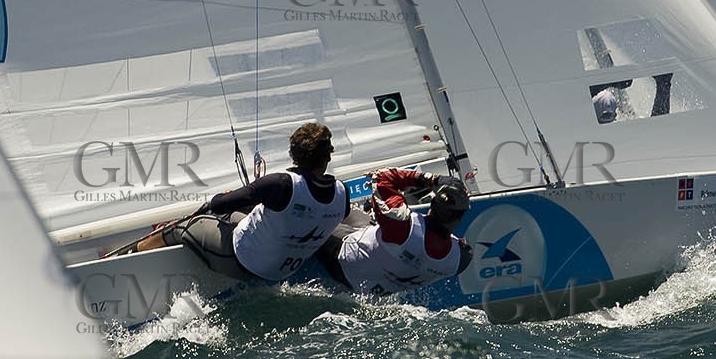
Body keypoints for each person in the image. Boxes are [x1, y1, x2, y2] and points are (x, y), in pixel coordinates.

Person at [125, 122, 348, 282]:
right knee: (239, 215)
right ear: (328, 156)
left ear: (293, 154)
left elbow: (219, 204)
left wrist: (227, 195)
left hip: (242, 261)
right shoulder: (342, 194)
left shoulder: (280, 184)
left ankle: (133, 254)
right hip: (282, 270)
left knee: (185, 226)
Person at [317, 168, 473, 295]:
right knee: (355, 213)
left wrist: (433, 180)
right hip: (373, 289)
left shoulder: (402, 225)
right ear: (460, 217)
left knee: (318, 215)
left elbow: (382, 177)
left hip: (343, 263)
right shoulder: (460, 259)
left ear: (432, 204)